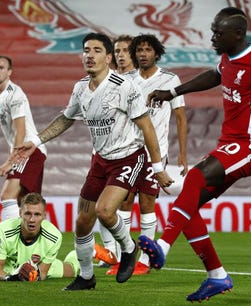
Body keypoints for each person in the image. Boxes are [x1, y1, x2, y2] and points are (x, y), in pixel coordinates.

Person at [138, 7, 251, 302]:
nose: (212, 38)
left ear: (237, 35)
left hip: (250, 146)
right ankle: (217, 276)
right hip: (229, 143)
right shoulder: (228, 58)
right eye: (212, 32)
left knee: (195, 177)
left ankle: (163, 248)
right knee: (189, 203)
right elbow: (215, 75)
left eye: (217, 33)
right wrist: (172, 92)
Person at [15, 32, 173, 290]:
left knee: (104, 211)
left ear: (109, 57)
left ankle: (129, 248)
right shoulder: (80, 88)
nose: (89, 55)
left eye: (97, 50)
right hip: (100, 161)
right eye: (86, 50)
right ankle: (87, 277)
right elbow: (67, 118)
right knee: (82, 221)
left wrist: (157, 169)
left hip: (128, 158)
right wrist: (36, 140)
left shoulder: (124, 87)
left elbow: (147, 127)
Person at [105, 34, 188, 276]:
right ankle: (125, 257)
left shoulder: (170, 80)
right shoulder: (126, 79)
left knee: (146, 204)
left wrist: (182, 154)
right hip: (129, 152)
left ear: (157, 53)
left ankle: (144, 260)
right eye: (139, 50)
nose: (142, 54)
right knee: (124, 203)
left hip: (156, 152)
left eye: (147, 50)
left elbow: (181, 118)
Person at [0, 55, 47, 229]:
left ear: (10, 72)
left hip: (30, 150)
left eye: (1, 68)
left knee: (7, 196)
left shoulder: (15, 95)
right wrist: (11, 157)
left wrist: (10, 162)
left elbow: (21, 131)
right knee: (27, 204)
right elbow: (11, 136)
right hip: (26, 151)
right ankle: (28, 244)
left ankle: (3, 235)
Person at [0, 192, 80, 281]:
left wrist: (33, 274)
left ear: (44, 216)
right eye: (27, 214)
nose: (32, 219)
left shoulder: (54, 236)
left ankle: (85, 251)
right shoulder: (3, 232)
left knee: (72, 271)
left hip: (35, 264)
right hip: (6, 263)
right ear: (20, 214)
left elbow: (43, 273)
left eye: (37, 214)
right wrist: (13, 278)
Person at [97, 34, 137, 264]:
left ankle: (125, 251)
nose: (121, 55)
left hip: (127, 150)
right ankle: (110, 252)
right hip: (103, 149)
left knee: (121, 202)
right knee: (99, 204)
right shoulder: (105, 79)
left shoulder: (137, 81)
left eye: (125, 51)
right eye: (118, 51)